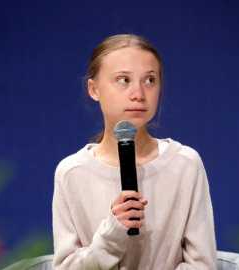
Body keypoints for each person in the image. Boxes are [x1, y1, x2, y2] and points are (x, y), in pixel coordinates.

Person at [52, 34, 217, 269]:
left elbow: (202, 264)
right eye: (123, 80)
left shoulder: (185, 164)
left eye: (149, 80)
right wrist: (110, 236)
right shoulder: (71, 173)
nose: (139, 94)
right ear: (94, 89)